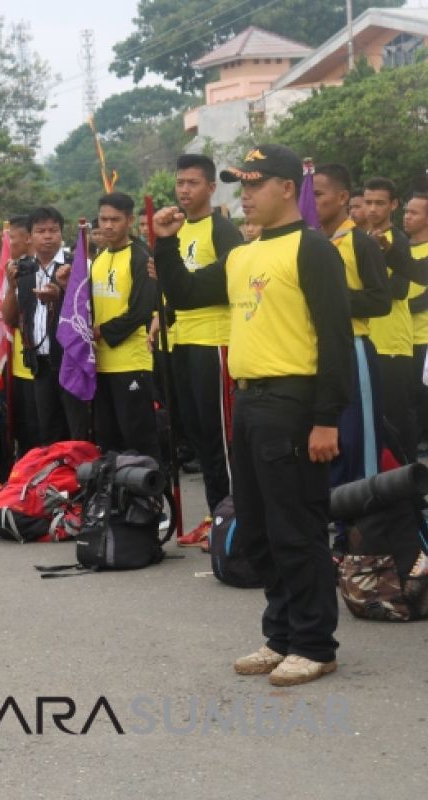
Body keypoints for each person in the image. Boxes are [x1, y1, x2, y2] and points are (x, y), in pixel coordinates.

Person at [153, 143, 352, 687]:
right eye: (241, 186)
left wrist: (327, 418)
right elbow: (189, 294)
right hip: (249, 400)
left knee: (297, 527)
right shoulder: (242, 254)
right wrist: (166, 247)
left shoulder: (312, 251)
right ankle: (281, 633)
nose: (246, 197)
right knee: (258, 528)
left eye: (255, 185)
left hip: (294, 401)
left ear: (287, 188)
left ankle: (315, 643)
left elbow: (336, 340)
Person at [168, 154, 243, 546]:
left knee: (220, 439)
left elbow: (228, 282)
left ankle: (233, 518)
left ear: (211, 188)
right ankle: (216, 516)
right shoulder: (175, 230)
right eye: (180, 182)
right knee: (197, 438)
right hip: (181, 340)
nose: (185, 190)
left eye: (193, 183)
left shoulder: (222, 229)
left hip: (214, 341)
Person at [313, 163, 389, 492]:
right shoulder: (311, 244)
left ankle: (362, 524)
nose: (312, 202)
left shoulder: (360, 243)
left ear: (343, 196)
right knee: (325, 440)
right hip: (315, 351)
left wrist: (333, 300)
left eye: (318, 194)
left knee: (357, 439)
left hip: (353, 348)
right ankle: (331, 515)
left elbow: (379, 301)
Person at [2, 208, 85, 448]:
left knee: (77, 428)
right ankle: (57, 481)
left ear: (62, 234)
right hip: (39, 362)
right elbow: (9, 318)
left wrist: (61, 294)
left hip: (71, 360)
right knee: (47, 430)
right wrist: (10, 285)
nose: (47, 236)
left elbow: (87, 311)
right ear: (30, 237)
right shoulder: (24, 269)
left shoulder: (76, 265)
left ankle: (81, 480)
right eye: (40, 231)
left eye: (53, 230)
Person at [89, 192, 160, 459]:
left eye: (115, 220)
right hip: (100, 363)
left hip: (132, 362)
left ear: (129, 220)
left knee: (138, 438)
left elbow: (141, 311)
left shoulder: (141, 256)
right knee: (108, 439)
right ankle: (117, 500)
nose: (108, 225)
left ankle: (148, 497)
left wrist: (101, 331)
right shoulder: (98, 259)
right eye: (104, 219)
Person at [364, 176, 425, 461]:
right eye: (368, 202)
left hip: (394, 343)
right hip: (366, 340)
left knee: (400, 420)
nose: (372, 209)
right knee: (373, 420)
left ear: (393, 205)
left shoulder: (398, 241)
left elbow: (400, 289)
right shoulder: (361, 239)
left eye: (379, 203)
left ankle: (409, 486)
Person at [404, 192, 428, 452]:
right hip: (400, 337)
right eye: (407, 211)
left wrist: (396, 306)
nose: (407, 217)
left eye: (414, 213)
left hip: (424, 337)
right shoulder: (400, 248)